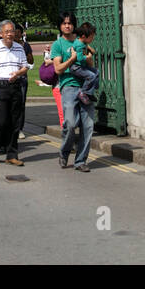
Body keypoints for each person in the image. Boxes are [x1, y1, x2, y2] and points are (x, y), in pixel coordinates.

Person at [51, 12, 92, 171]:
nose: (67, 26)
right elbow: (58, 69)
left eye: (69, 23)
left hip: (85, 88)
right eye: (64, 23)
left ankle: (80, 161)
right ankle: (64, 152)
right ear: (60, 26)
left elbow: (89, 62)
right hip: (69, 87)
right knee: (70, 122)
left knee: (87, 126)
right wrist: (72, 60)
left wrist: (88, 60)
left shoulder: (81, 41)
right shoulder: (58, 45)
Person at [0, 19, 28, 166]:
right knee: (0, 121)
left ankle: (12, 154)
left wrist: (19, 73)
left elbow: (25, 66)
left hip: (15, 86)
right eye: (7, 31)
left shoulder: (19, 48)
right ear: (1, 33)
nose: (10, 34)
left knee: (15, 123)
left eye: (12, 31)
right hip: (0, 86)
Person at [72, 22, 101, 105]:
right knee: (91, 76)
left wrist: (90, 49)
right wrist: (87, 58)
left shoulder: (82, 42)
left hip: (80, 66)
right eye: (91, 37)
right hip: (76, 67)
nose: (93, 39)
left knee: (96, 72)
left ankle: (91, 90)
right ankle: (84, 93)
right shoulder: (79, 45)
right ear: (84, 36)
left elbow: (86, 45)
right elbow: (80, 58)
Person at [14, 22, 34, 135]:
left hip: (22, 78)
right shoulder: (8, 45)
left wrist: (24, 54)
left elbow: (31, 61)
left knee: (21, 104)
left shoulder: (25, 45)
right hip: (10, 77)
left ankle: (19, 129)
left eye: (18, 34)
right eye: (14, 33)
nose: (16, 36)